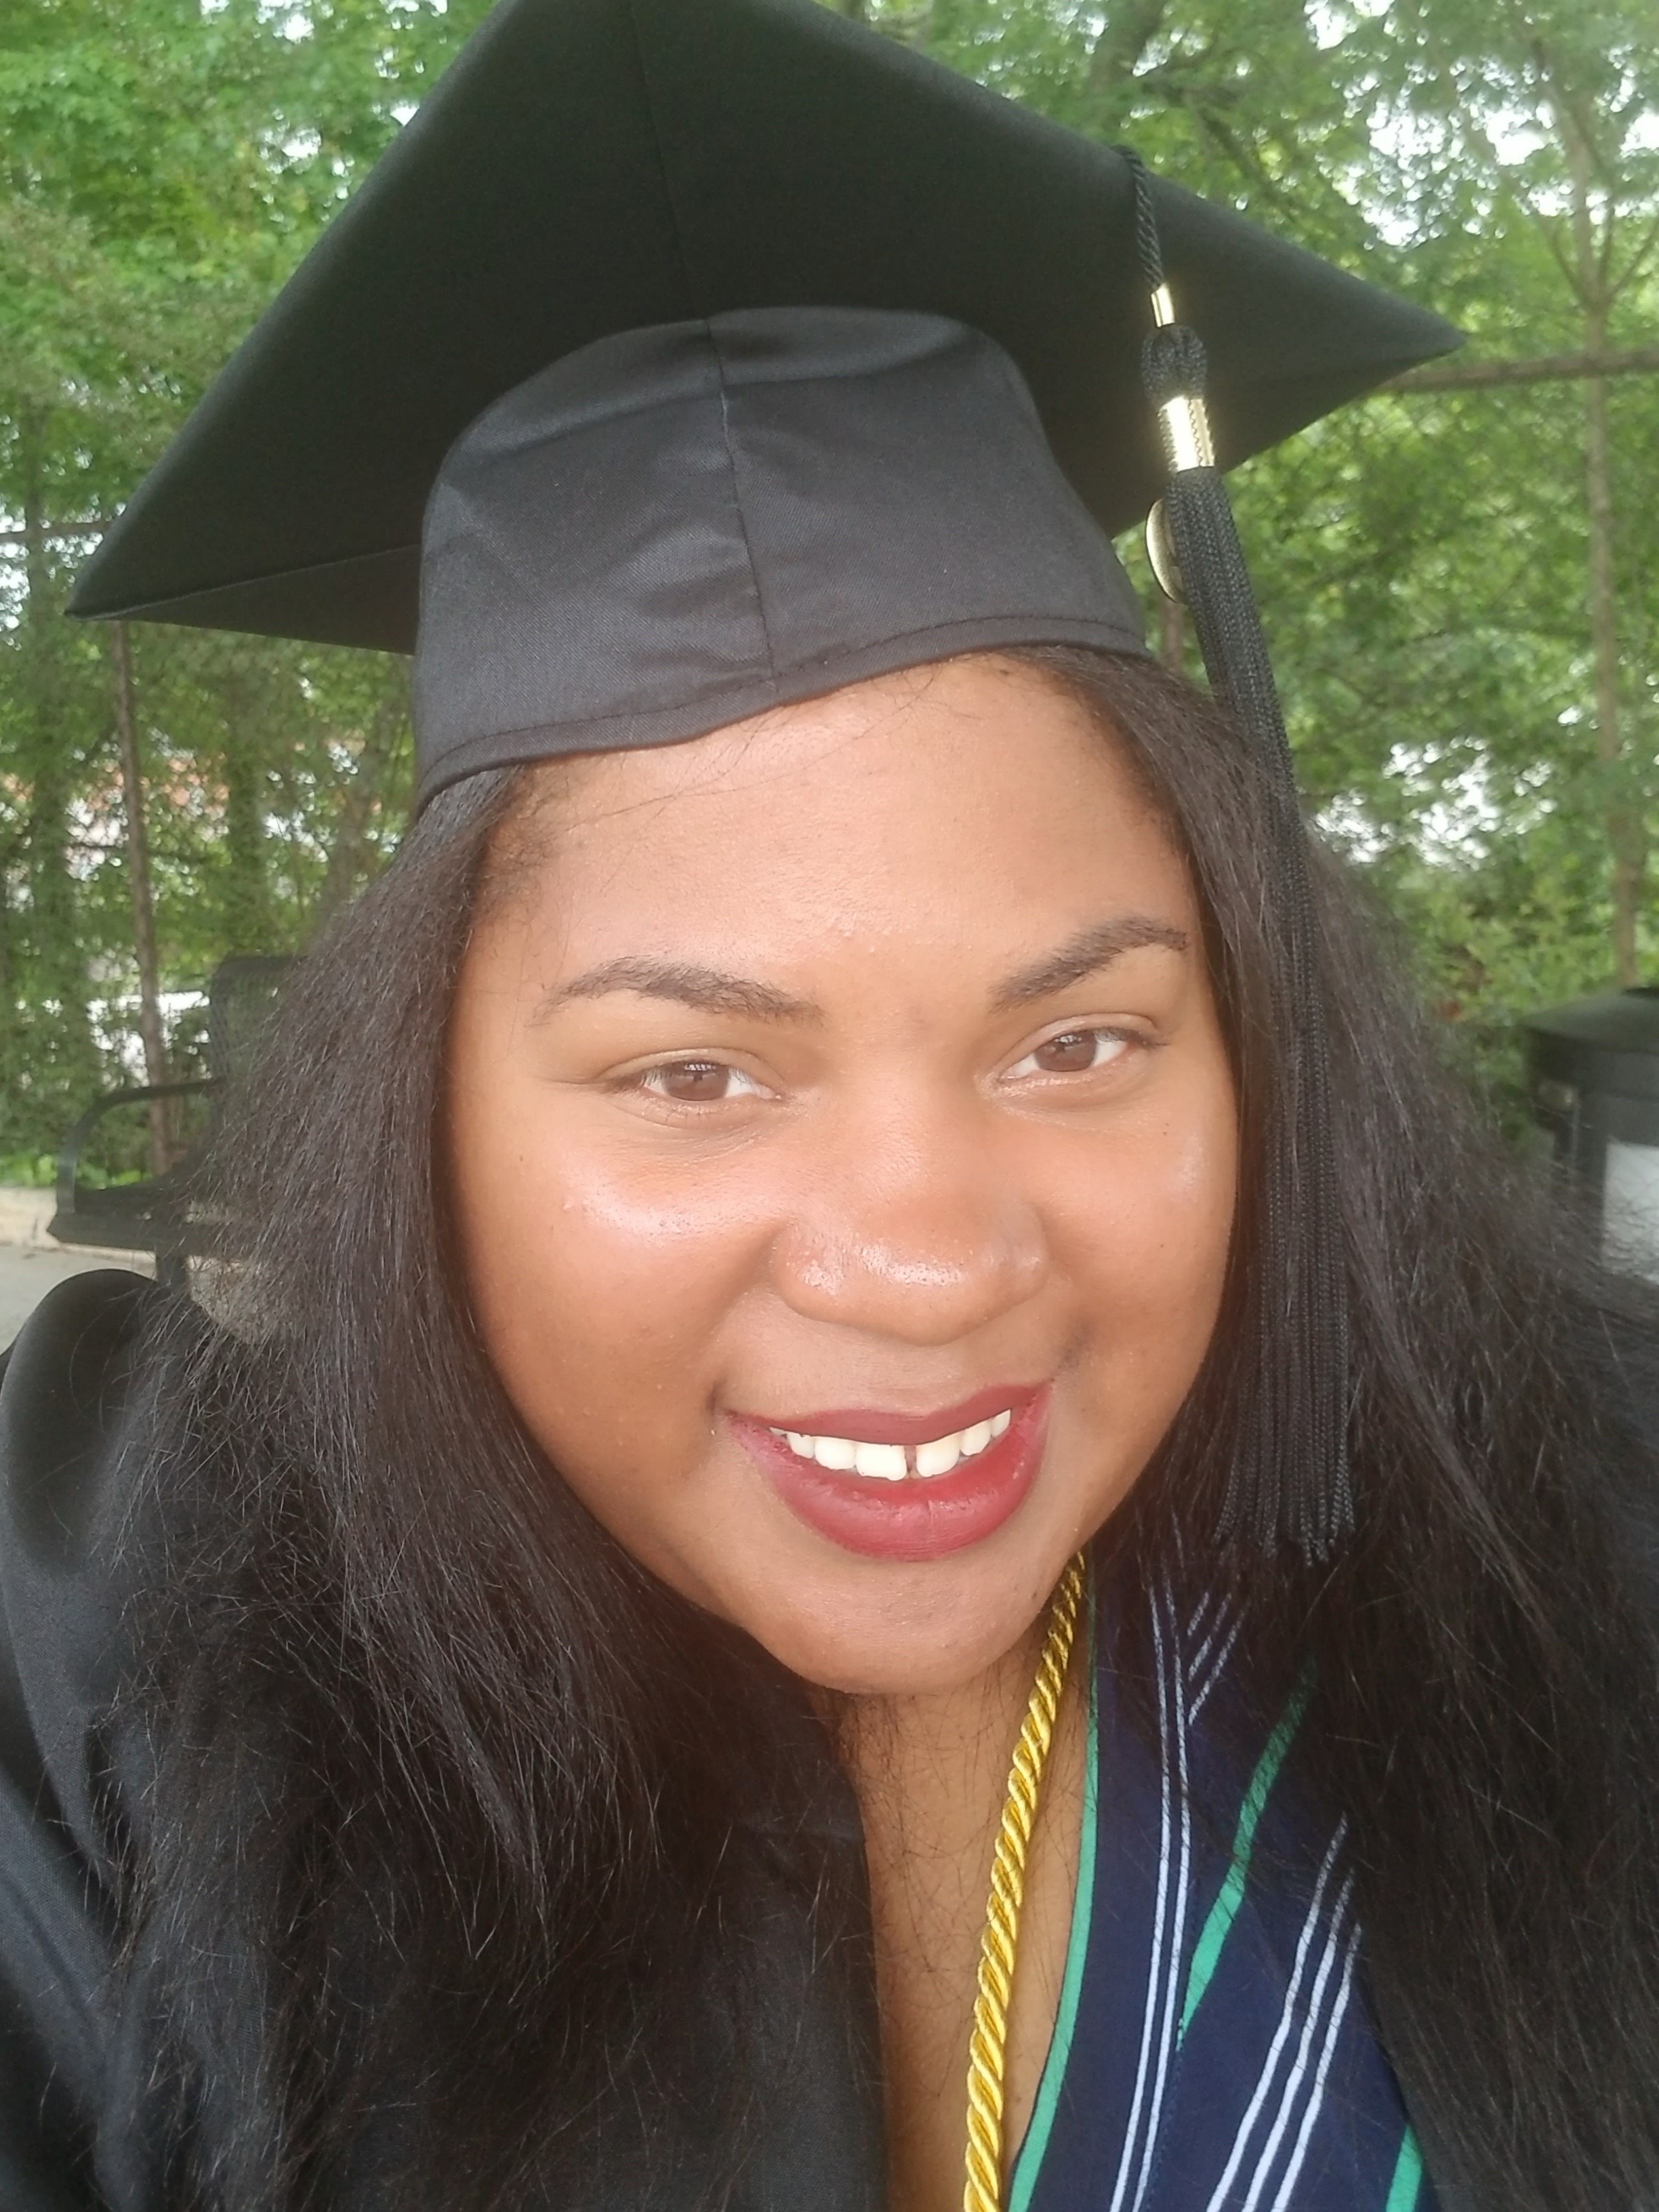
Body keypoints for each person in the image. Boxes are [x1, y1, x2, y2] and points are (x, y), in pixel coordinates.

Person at [5, 3, 1659, 2209]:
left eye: (1077, 1042)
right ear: (428, 1133)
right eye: (694, 1073)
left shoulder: (1571, 1575)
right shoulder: (133, 1681)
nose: (929, 1259)